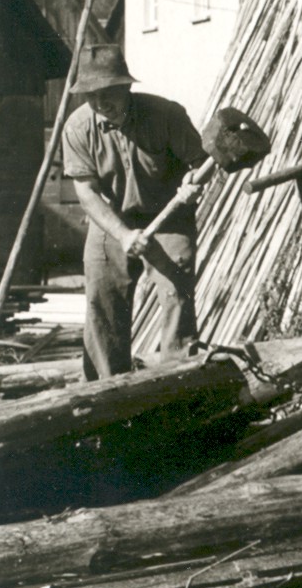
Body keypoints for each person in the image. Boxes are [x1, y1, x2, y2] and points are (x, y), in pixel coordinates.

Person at [61, 45, 208, 380]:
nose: (100, 105)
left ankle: (179, 383)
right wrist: (123, 235)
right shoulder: (77, 128)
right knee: (102, 300)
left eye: (107, 94)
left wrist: (192, 182)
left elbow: (201, 163)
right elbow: (87, 192)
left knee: (176, 294)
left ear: (127, 87)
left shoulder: (166, 115)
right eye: (90, 96)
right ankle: (107, 391)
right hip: (111, 220)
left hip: (168, 218)